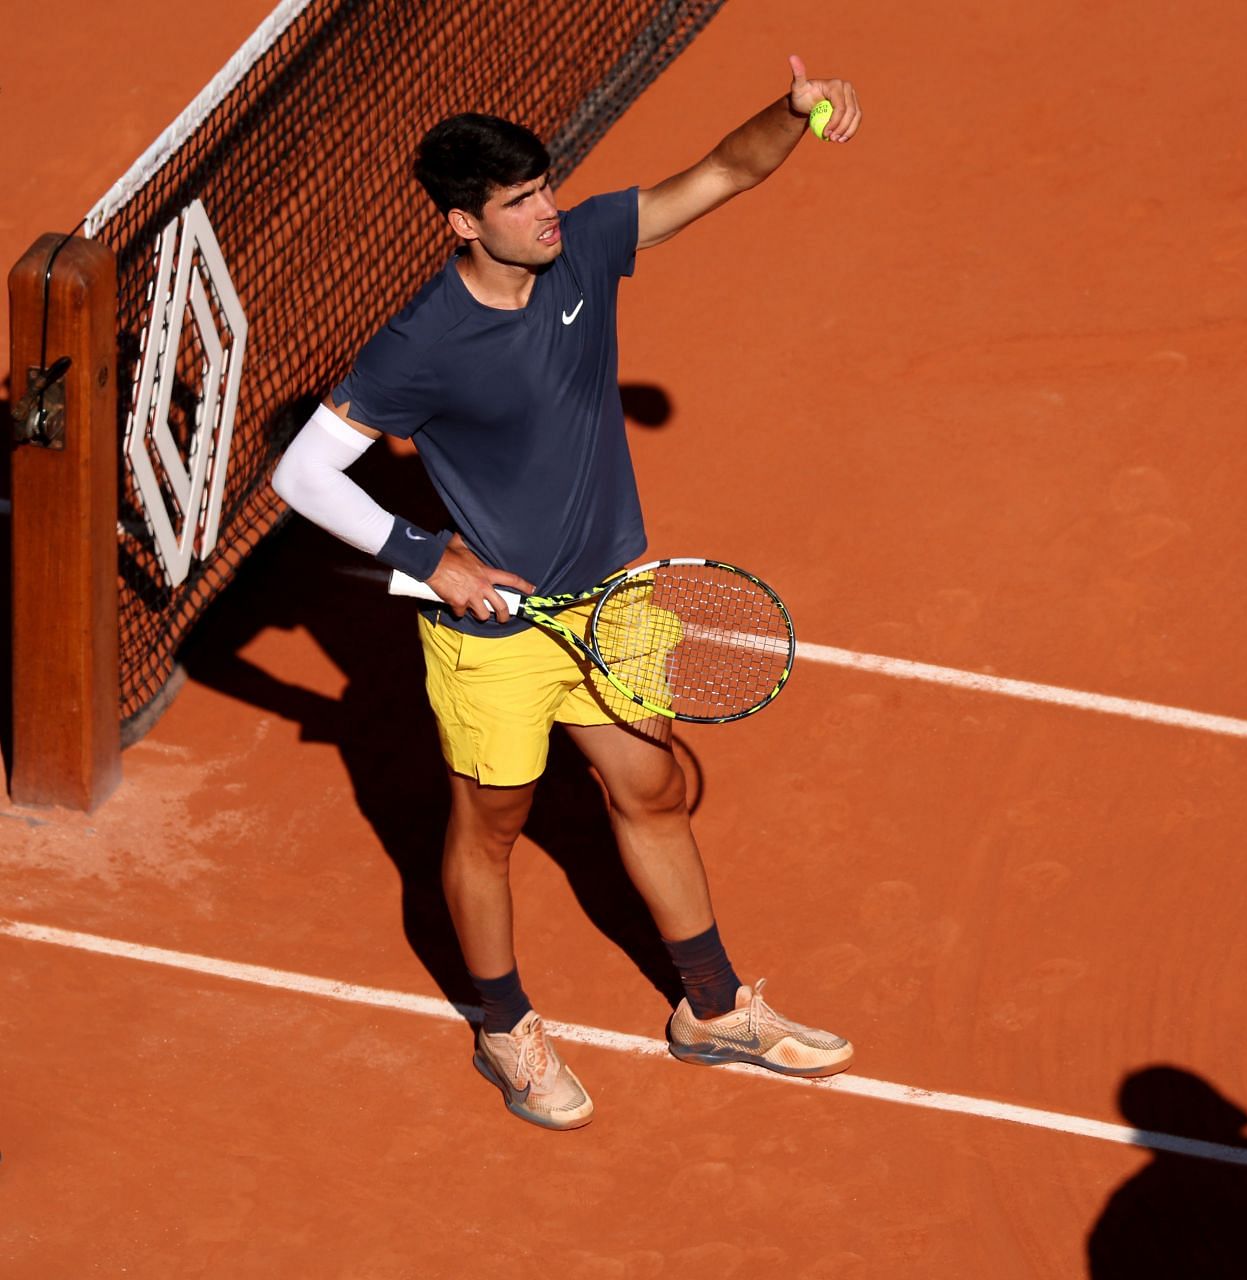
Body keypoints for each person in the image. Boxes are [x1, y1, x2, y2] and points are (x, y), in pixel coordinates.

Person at [272, 57, 863, 1131]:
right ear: (461, 223)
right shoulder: (422, 345)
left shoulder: (585, 243)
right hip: (494, 640)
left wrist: (792, 114)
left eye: (546, 187)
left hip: (615, 601)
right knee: (491, 825)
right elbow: (302, 474)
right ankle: (505, 1027)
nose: (548, 211)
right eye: (519, 201)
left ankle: (715, 1007)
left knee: (650, 790)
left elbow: (725, 171)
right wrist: (427, 552)